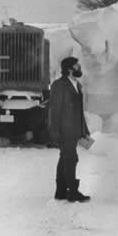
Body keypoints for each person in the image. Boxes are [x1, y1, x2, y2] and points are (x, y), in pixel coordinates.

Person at [48, 56, 91, 203]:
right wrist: (55, 132)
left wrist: (84, 129)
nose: (79, 68)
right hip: (64, 129)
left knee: (65, 159)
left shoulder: (77, 84)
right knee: (71, 159)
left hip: (74, 129)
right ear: (69, 69)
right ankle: (73, 192)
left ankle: (60, 191)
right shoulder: (59, 85)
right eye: (77, 66)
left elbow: (78, 110)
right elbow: (54, 110)